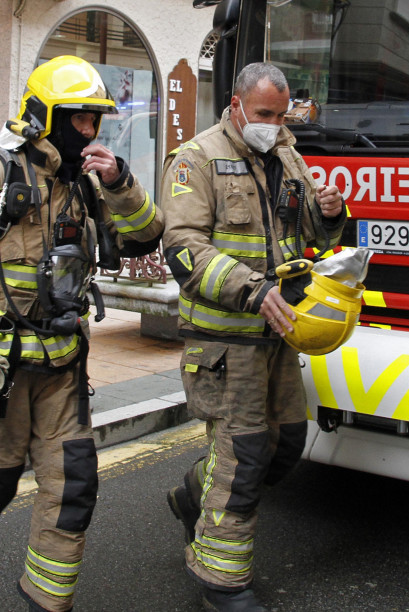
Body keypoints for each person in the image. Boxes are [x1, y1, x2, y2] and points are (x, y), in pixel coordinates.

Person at [160, 62, 345, 611]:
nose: (274, 123)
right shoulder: (195, 159)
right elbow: (183, 247)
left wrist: (329, 212)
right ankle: (222, 585)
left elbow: (310, 227)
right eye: (264, 114)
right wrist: (251, 289)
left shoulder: (287, 153)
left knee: (284, 444)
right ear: (237, 104)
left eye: (281, 114)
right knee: (241, 461)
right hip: (225, 341)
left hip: (278, 333)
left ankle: (196, 493)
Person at [0, 55, 164, 612]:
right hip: (2, 373)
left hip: (62, 371)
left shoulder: (90, 187)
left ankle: (46, 603)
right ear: (46, 116)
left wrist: (118, 179)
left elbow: (146, 236)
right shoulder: (4, 173)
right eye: (78, 119)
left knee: (72, 490)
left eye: (95, 121)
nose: (89, 132)